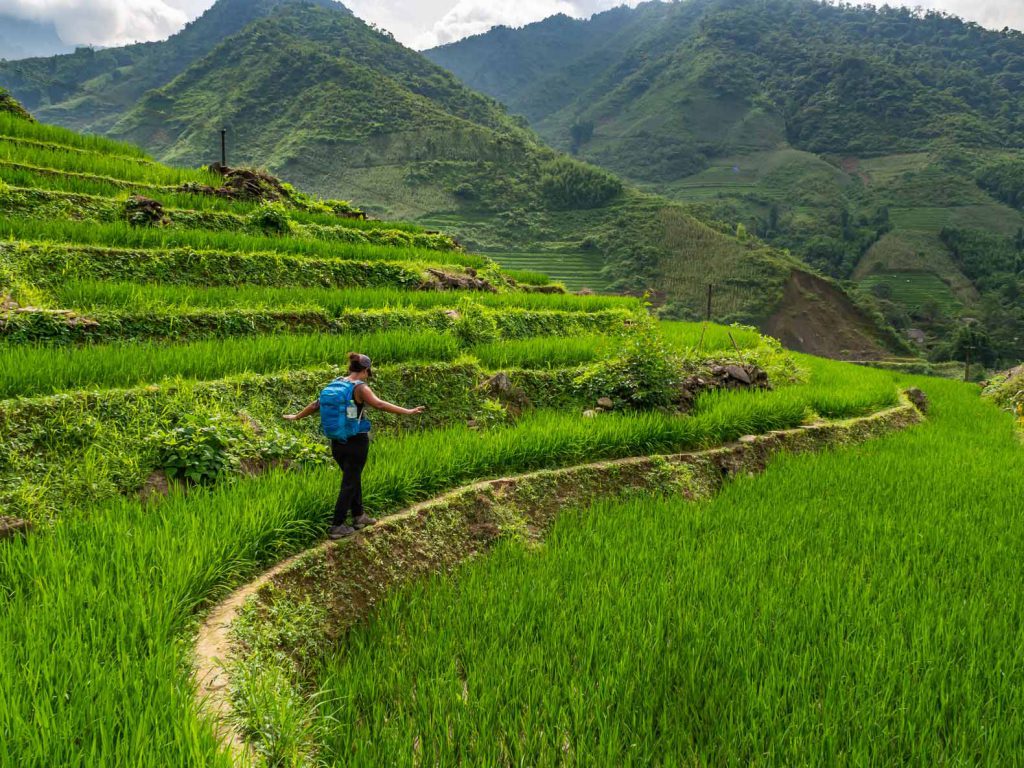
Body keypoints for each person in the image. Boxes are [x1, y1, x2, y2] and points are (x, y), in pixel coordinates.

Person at [283, 353, 425, 539]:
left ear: (350, 368)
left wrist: (297, 416)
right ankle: (337, 525)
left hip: (337, 442)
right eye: (368, 372)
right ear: (365, 370)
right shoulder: (360, 388)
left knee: (353, 477)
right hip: (356, 442)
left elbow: (316, 404)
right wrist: (407, 411)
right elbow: (379, 404)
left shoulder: (335, 384)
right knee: (349, 482)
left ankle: (359, 516)